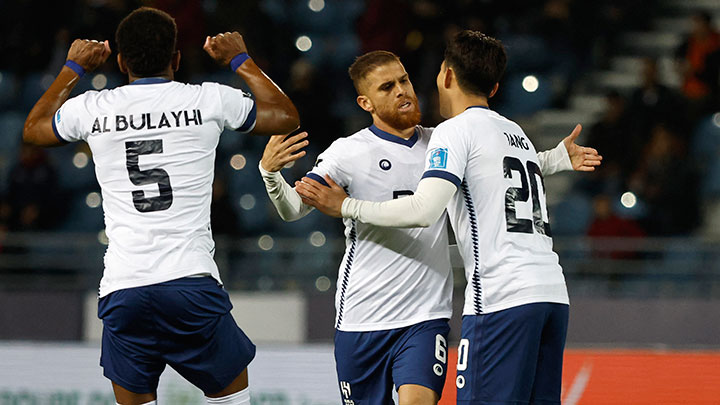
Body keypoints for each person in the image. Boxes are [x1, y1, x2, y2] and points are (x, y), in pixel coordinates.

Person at [260, 50, 599, 404]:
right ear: (365, 103)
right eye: (387, 87)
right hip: (363, 316)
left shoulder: (443, 140)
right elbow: (294, 208)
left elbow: (494, 170)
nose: (402, 91)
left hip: (426, 317)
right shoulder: (347, 153)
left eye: (404, 80)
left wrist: (555, 158)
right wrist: (270, 175)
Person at [23, 7, 299, 405]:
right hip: (189, 281)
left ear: (121, 62)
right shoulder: (207, 99)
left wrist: (73, 68)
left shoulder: (94, 107)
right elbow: (286, 116)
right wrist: (240, 59)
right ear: (177, 58)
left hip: (124, 287)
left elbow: (34, 129)